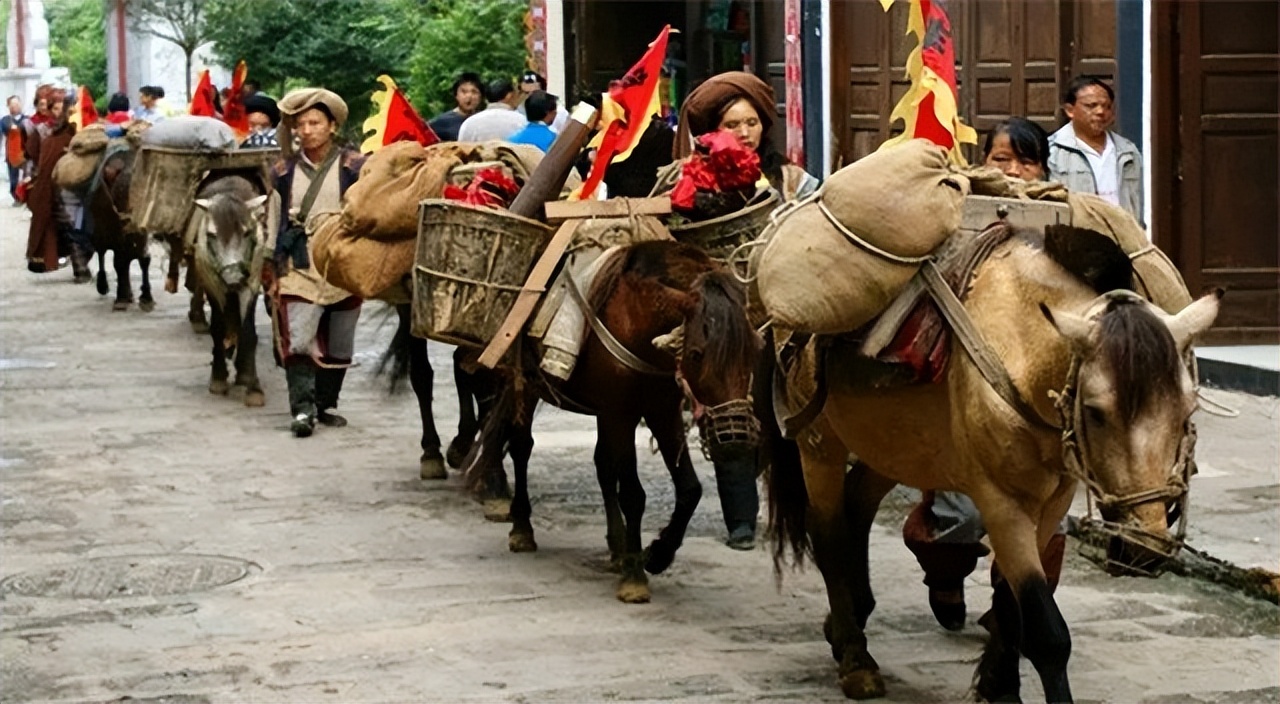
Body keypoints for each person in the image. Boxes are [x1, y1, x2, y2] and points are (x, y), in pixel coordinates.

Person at [902, 116, 1067, 632]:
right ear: (983, 164)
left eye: (1026, 159)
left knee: (1047, 521)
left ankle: (1011, 610)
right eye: (1002, 159)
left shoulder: (1066, 226)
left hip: (1039, 399)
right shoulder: (959, 220)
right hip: (969, 384)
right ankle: (944, 575)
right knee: (961, 513)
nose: (1015, 170)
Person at [266, 88, 365, 438]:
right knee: (298, 340)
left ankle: (325, 404)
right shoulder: (281, 171)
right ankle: (302, 410)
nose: (306, 131)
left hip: (342, 266)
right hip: (298, 265)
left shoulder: (355, 167)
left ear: (332, 126)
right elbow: (273, 218)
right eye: (300, 124)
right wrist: (270, 265)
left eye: (315, 123)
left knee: (340, 344)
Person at [674, 71, 818, 202]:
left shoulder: (791, 179)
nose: (744, 133)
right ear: (711, 133)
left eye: (752, 123)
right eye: (731, 125)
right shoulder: (690, 179)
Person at [1048, 75, 1143, 224]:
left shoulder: (1127, 152)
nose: (1101, 112)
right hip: (1075, 241)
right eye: (1091, 106)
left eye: (1107, 106)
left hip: (1123, 240)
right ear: (1069, 110)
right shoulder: (1052, 151)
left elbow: (1139, 200)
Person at [24, 88, 91, 280]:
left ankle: (81, 262)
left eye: (63, 108)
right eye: (55, 108)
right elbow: (34, 156)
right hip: (53, 185)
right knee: (66, 223)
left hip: (80, 183)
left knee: (84, 225)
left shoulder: (80, 130)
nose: (58, 112)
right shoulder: (43, 130)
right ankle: (79, 267)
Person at [457, 78, 525, 143]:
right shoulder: (522, 122)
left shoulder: (469, 123)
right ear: (509, 95)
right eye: (517, 93)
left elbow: (462, 152)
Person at [429, 72, 484, 142]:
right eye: (464, 92)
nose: (469, 96)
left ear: (480, 97)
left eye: (474, 92)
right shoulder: (441, 123)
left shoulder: (484, 121)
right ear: (456, 95)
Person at [2, 96, 27, 204]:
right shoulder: (5, 120)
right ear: (9, 107)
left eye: (17, 104)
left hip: (26, 153)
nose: (15, 107)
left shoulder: (27, 119)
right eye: (12, 105)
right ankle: (16, 197)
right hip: (11, 154)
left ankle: (25, 197)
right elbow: (5, 128)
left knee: (27, 176)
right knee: (13, 179)